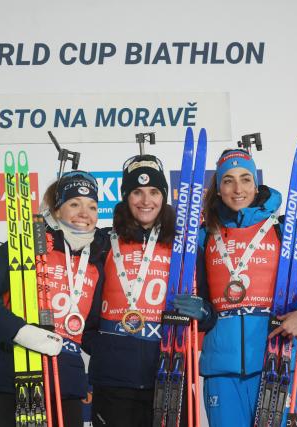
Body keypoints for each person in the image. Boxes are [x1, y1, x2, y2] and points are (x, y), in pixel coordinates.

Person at [175, 148, 297, 427]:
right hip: (221, 368)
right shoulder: (205, 235)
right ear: (218, 189)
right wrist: (202, 311)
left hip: (275, 359)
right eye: (228, 180)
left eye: (245, 179)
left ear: (256, 184)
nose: (237, 188)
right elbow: (203, 301)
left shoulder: (282, 232)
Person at [0, 171, 109, 427]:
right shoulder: (27, 246)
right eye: (74, 204)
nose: (84, 213)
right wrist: (20, 331)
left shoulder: (95, 261)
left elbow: (92, 330)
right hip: (15, 375)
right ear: (56, 210)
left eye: (92, 206)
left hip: (67, 384)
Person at [83, 154, 210, 427]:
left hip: (170, 373)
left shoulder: (185, 248)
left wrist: (204, 311)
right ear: (125, 197)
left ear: (164, 196)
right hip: (114, 381)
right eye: (136, 192)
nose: (145, 201)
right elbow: (82, 301)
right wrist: (104, 347)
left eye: (154, 192)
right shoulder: (103, 242)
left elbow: (211, 313)